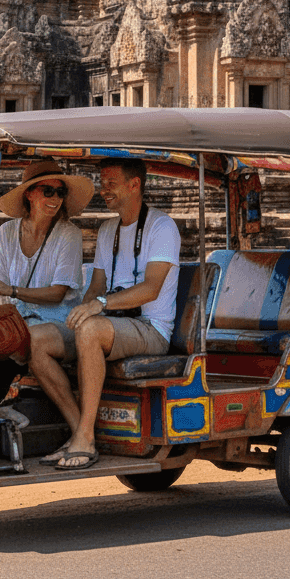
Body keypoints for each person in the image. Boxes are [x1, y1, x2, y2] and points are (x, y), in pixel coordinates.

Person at [28, 158, 180, 471]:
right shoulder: (108, 229)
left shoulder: (162, 226)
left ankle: (84, 436)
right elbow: (95, 287)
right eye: (102, 182)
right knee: (35, 340)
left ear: (134, 184)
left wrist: (99, 306)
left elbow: (151, 288)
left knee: (90, 330)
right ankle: (80, 432)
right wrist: (85, 308)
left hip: (149, 328)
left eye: (110, 183)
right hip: (110, 324)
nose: (103, 190)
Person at [0, 159, 94, 392]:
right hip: (17, 322)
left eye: (60, 193)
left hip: (58, 324)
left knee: (19, 340)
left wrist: (12, 290)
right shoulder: (7, 232)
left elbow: (57, 295)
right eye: (48, 191)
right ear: (29, 194)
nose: (55, 199)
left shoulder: (68, 234)